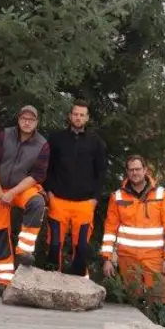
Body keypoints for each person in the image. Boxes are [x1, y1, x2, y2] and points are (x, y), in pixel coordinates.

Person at [0, 105, 51, 296]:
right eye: (24, 118)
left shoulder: (42, 144)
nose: (27, 122)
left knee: (37, 203)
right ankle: (4, 280)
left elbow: (38, 174)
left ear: (36, 122)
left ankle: (24, 250)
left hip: (21, 188)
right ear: (18, 119)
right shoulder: (4, 136)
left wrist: (12, 193)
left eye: (31, 119)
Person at [101, 155, 165, 303]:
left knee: (158, 302)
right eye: (131, 170)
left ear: (145, 170)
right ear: (127, 172)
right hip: (127, 259)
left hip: (155, 259)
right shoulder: (117, 197)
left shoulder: (162, 194)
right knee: (132, 302)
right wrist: (107, 258)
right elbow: (110, 230)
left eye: (138, 169)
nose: (134, 173)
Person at [44, 100, 108, 276]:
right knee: (54, 243)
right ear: (69, 116)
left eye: (82, 115)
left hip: (85, 203)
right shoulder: (57, 139)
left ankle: (77, 282)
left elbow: (101, 172)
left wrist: (95, 198)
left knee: (81, 246)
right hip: (58, 200)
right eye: (75, 114)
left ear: (87, 118)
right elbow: (47, 167)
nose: (78, 118)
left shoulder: (96, 143)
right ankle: (51, 279)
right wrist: (49, 192)